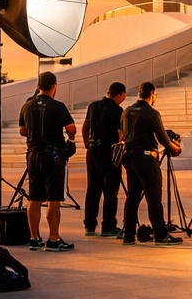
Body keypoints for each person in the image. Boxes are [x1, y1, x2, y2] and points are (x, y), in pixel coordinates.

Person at [19, 70, 77, 251]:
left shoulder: (27, 106)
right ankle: (53, 238)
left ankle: (34, 238)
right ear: (54, 87)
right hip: (53, 156)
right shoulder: (58, 106)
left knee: (34, 198)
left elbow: (22, 130)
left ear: (38, 86)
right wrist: (70, 137)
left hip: (33, 155)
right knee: (53, 199)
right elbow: (71, 127)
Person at [120, 80, 182, 246]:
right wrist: (174, 147)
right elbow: (163, 138)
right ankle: (161, 235)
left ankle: (128, 236)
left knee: (132, 198)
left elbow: (122, 134)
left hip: (129, 158)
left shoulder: (126, 111)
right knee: (153, 198)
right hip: (146, 158)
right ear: (152, 94)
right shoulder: (151, 113)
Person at [83, 82, 126, 239]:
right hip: (108, 152)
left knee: (92, 189)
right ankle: (108, 226)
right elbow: (120, 133)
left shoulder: (93, 106)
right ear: (120, 94)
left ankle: (89, 225)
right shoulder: (117, 110)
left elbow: (85, 126)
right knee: (110, 190)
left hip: (93, 150)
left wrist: (87, 143)